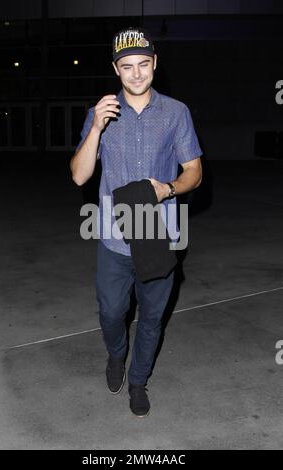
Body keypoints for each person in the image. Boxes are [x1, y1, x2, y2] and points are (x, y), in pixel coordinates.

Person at [70, 27, 202, 418]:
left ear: (155, 64)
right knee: (112, 313)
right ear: (116, 69)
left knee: (151, 318)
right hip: (113, 234)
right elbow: (79, 176)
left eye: (144, 64)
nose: (137, 74)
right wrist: (94, 126)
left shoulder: (176, 112)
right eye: (127, 66)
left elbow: (194, 170)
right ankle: (115, 355)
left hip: (160, 234)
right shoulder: (101, 115)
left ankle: (139, 380)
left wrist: (170, 189)